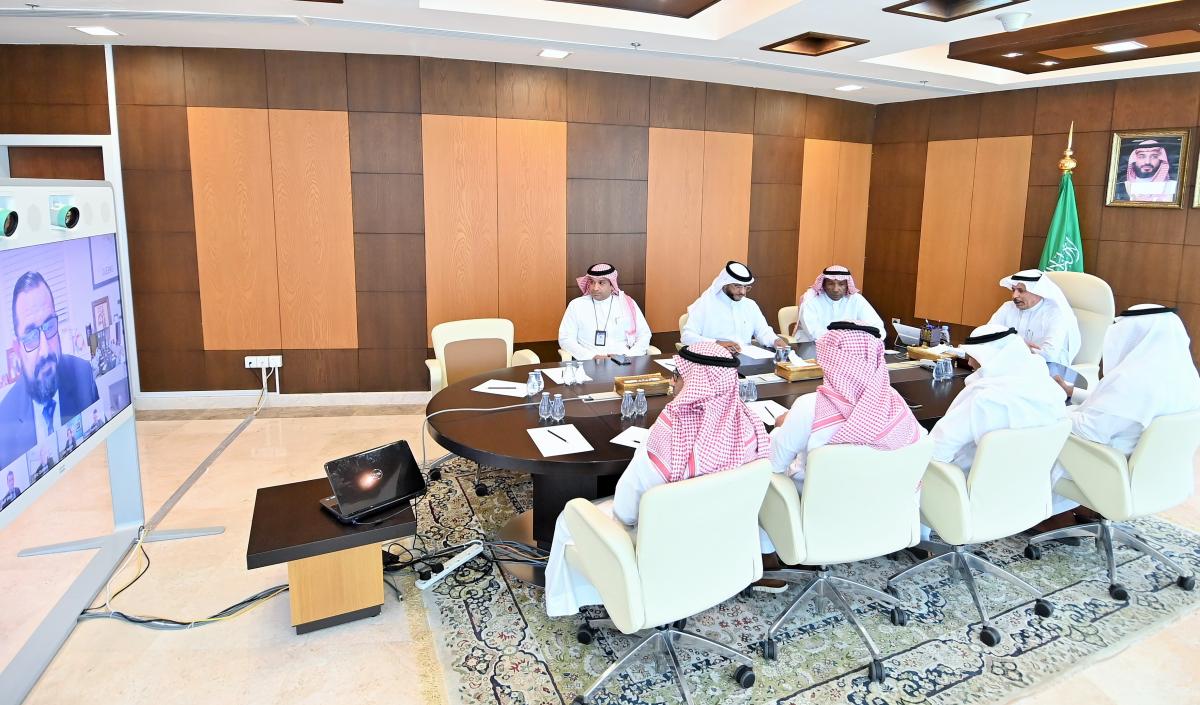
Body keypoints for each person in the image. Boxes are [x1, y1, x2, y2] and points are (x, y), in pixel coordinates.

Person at [544, 342, 769, 617]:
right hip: (722, 539)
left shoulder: (668, 437)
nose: (672, 383)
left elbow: (626, 511)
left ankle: (583, 602)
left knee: (568, 518)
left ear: (695, 382)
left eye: (677, 375)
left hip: (666, 546)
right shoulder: (751, 427)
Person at [754, 321, 924, 591]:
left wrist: (782, 428)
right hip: (878, 511)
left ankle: (767, 559)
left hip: (817, 513)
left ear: (831, 359)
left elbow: (773, 463)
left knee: (761, 474)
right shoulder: (895, 403)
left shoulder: (811, 407)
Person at [1043, 304, 1200, 520]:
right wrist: (1073, 392)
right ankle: (1086, 508)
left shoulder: (1132, 379)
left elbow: (1089, 430)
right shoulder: (1186, 376)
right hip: (1154, 474)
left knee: (1036, 435)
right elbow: (1120, 409)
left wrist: (1051, 409)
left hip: (1107, 469)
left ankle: (1048, 517)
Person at [930, 324, 1067, 475]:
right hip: (1030, 483)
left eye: (974, 356)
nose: (969, 363)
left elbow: (937, 447)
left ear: (989, 356)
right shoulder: (1050, 390)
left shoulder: (985, 398)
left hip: (968, 482)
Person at [0, 272, 100, 469]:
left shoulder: (83, 375)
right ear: (18, 349)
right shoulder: (4, 420)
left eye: (49, 326)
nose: (45, 350)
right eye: (31, 335)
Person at [681, 261, 788, 352]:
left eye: (746, 287)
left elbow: (763, 331)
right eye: (737, 286)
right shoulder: (705, 304)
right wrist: (717, 344)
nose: (743, 292)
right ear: (725, 283)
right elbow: (687, 337)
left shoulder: (750, 305)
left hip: (747, 359)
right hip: (715, 359)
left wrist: (775, 340)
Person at [558, 263, 652, 361]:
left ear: (612, 285)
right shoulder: (576, 305)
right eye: (592, 282)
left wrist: (628, 356)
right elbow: (566, 338)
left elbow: (644, 335)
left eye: (601, 283)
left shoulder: (627, 304)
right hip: (588, 362)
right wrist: (591, 356)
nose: (595, 288)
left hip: (624, 361)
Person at [988, 269, 1080, 367]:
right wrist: (1022, 347)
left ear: (1037, 291)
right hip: (1009, 365)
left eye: (1021, 291)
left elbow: (1049, 355)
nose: (1014, 296)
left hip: (1046, 370)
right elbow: (987, 336)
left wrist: (1007, 345)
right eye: (1013, 290)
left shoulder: (1055, 313)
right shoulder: (1008, 307)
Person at [794, 266, 885, 343]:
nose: (836, 289)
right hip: (813, 346)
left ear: (847, 285)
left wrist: (860, 341)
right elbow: (813, 333)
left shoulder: (856, 299)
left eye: (841, 284)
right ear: (823, 285)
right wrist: (844, 340)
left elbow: (876, 327)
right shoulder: (811, 299)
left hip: (851, 347)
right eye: (830, 284)